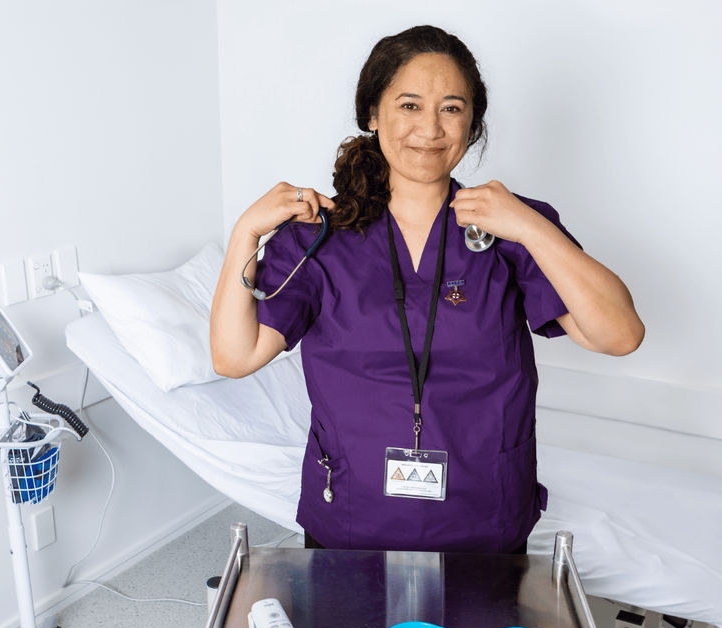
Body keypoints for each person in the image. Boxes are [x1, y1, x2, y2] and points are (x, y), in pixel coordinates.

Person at [211, 25, 643, 553]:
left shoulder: (511, 227)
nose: (431, 128)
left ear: (472, 123)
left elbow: (619, 335)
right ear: (373, 114)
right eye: (410, 105)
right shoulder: (317, 236)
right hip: (352, 516)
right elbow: (234, 357)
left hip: (485, 520)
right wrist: (245, 233)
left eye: (452, 108)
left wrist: (531, 227)